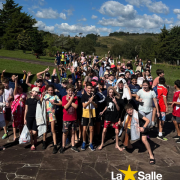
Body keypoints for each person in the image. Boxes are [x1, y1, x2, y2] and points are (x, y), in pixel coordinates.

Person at [98, 87, 124, 151]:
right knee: (104, 130)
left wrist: (115, 102)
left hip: (115, 117)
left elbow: (118, 109)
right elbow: (107, 106)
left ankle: (117, 145)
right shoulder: (106, 99)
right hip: (107, 117)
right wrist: (103, 111)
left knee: (117, 132)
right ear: (108, 93)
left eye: (112, 92)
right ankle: (102, 143)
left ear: (114, 92)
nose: (111, 93)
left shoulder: (117, 99)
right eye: (110, 92)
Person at [60, 84, 79, 153]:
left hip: (73, 118)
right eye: (69, 91)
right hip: (66, 118)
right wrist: (70, 100)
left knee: (73, 132)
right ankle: (63, 146)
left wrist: (70, 100)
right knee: (65, 132)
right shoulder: (64, 97)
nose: (70, 92)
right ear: (66, 91)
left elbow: (76, 106)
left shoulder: (76, 97)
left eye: (72, 91)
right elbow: (65, 107)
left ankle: (73, 145)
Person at [43, 85, 62, 154]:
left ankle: (55, 145)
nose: (50, 91)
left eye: (51, 90)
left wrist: (55, 103)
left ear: (53, 90)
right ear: (47, 90)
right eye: (49, 90)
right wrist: (42, 96)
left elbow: (61, 103)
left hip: (51, 114)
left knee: (53, 130)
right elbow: (40, 101)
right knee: (44, 129)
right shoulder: (45, 96)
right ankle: (44, 142)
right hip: (45, 114)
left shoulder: (55, 96)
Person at [81, 82, 98, 151]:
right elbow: (84, 106)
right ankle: (84, 142)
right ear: (86, 89)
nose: (89, 90)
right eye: (88, 88)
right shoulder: (84, 96)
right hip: (85, 114)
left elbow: (96, 106)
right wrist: (89, 101)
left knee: (91, 129)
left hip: (92, 114)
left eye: (91, 88)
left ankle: (91, 143)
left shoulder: (95, 96)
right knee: (84, 129)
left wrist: (92, 101)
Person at [11, 76, 27, 141]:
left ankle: (20, 134)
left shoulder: (24, 94)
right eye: (19, 89)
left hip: (22, 110)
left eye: (21, 88)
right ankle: (15, 135)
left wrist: (23, 100)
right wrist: (16, 81)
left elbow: (26, 102)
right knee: (15, 123)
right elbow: (15, 87)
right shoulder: (15, 94)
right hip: (16, 111)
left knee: (21, 123)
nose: (20, 90)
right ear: (17, 89)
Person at [0, 84, 6, 150]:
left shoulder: (1, 96)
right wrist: (3, 104)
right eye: (1, 90)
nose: (2, 91)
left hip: (1, 115)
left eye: (2, 90)